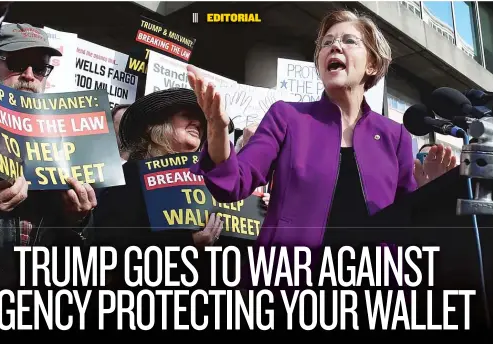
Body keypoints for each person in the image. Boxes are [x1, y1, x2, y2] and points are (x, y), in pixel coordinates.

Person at [186, 10, 455, 256]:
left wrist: (432, 192)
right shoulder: (286, 117)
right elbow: (233, 183)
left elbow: (408, 226)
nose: (334, 46)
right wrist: (218, 129)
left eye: (349, 41)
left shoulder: (395, 136)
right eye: (327, 43)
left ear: (372, 65)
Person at [0, 23, 97, 315]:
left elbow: (81, 254)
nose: (30, 76)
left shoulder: (69, 141)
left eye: (40, 68)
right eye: (18, 63)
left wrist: (79, 220)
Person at [88, 87, 224, 264]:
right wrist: (187, 244)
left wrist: (262, 208)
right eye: (186, 114)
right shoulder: (131, 175)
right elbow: (109, 246)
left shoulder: (211, 182)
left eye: (202, 120)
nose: (198, 122)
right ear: (159, 124)